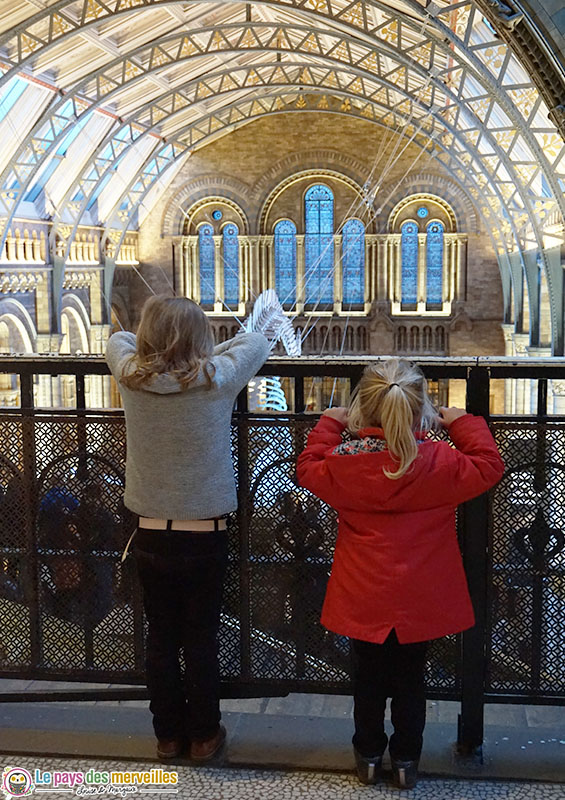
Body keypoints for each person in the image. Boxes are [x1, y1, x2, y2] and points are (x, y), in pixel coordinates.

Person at [296, 358, 504, 789]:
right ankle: (407, 761)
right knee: (412, 678)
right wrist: (464, 422)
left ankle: (369, 755)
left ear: (363, 410)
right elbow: (487, 465)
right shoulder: (438, 461)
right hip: (419, 595)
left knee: (368, 677)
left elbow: (307, 468)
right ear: (420, 408)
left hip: (363, 591)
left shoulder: (345, 461)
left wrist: (329, 426)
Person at [106, 295, 269, 762]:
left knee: (160, 636)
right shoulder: (217, 380)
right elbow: (256, 341)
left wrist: (150, 352)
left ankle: (167, 736)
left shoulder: (130, 377)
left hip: (150, 528)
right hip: (205, 531)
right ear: (201, 337)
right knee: (200, 637)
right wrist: (207, 357)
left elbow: (116, 340)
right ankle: (203, 736)